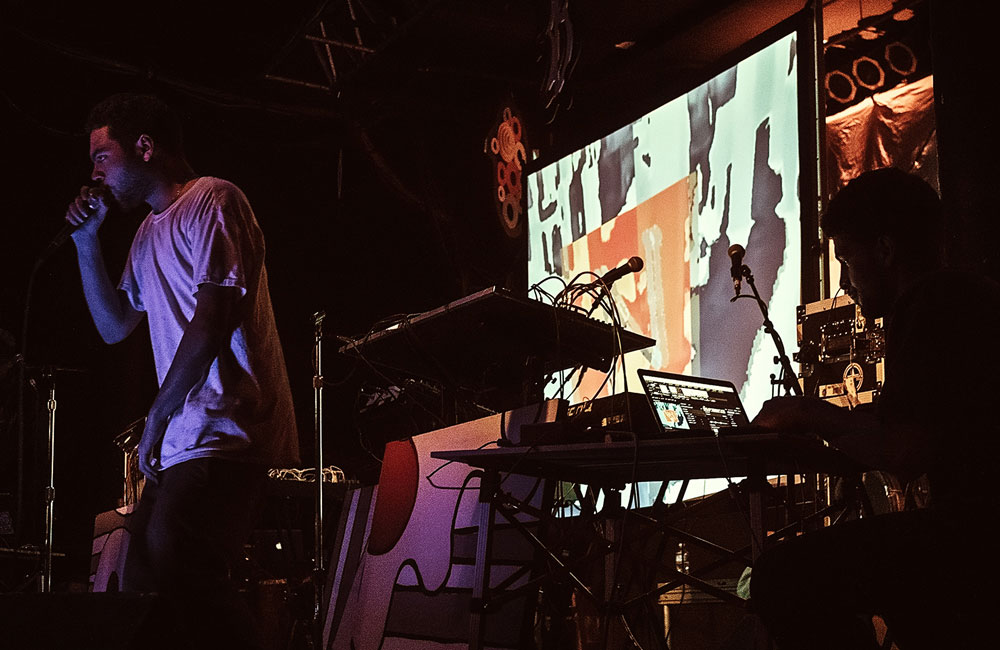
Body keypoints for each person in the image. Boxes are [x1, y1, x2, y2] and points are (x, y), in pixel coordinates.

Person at [65, 93, 299, 649]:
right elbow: (114, 325)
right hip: (185, 435)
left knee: (178, 553)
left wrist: (157, 414)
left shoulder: (214, 200)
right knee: (146, 573)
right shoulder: (147, 234)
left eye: (102, 156)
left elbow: (212, 318)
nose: (94, 172)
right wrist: (84, 242)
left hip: (229, 425)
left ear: (144, 147)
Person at [748, 167, 1000, 649]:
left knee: (782, 575)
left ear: (885, 250)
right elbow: (906, 425)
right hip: (980, 538)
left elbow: (904, 449)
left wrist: (809, 414)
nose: (844, 282)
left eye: (846, 259)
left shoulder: (930, 304)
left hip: (975, 542)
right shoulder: (969, 296)